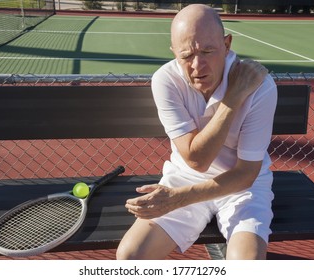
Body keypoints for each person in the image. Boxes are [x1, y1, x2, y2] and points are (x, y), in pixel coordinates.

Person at [116, 4, 277, 260]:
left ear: (227, 44)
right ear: (173, 53)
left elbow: (246, 174)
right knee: (131, 257)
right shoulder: (166, 80)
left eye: (208, 51)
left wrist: (177, 199)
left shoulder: (260, 86)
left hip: (242, 187)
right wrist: (234, 97)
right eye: (186, 56)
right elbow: (196, 160)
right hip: (186, 178)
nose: (197, 65)